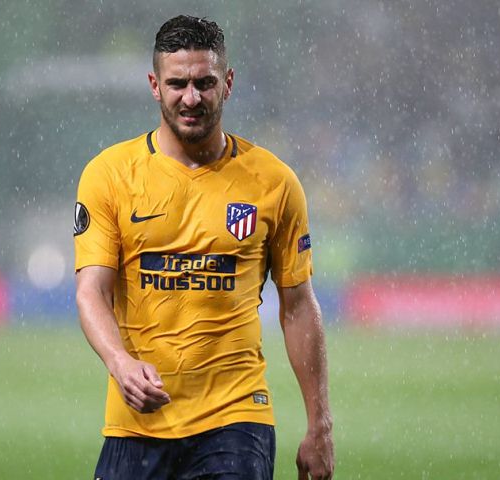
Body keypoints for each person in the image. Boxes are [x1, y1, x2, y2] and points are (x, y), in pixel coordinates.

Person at [74, 15, 334, 480]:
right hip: (138, 420)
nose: (191, 98)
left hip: (236, 419)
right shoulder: (109, 175)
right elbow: (91, 290)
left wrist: (320, 426)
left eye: (204, 83)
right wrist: (120, 363)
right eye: (177, 83)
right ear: (154, 86)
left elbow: (297, 305)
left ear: (227, 83)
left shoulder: (274, 182)